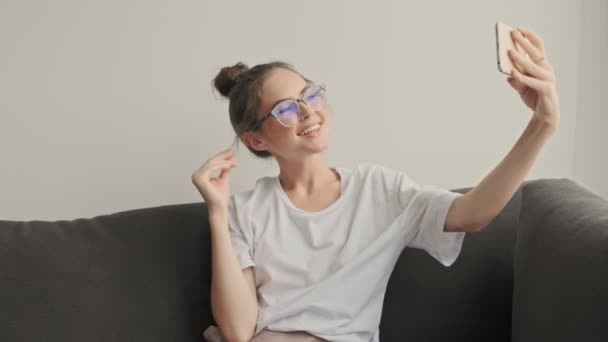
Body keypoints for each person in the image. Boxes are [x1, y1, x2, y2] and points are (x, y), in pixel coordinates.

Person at [192, 27, 560, 342]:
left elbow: (474, 214)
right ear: (256, 140)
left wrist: (542, 124)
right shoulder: (246, 211)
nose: (308, 112)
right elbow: (239, 330)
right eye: (286, 109)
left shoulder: (378, 191)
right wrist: (217, 212)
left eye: (310, 95)